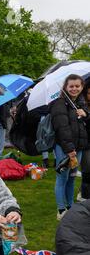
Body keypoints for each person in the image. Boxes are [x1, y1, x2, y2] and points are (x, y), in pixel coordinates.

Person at [50, 74, 90, 221]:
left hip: (79, 147)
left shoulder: (80, 103)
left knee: (72, 178)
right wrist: (69, 149)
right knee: (62, 178)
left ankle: (70, 206)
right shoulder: (59, 103)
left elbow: (84, 124)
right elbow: (62, 128)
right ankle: (61, 210)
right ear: (66, 87)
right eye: (71, 86)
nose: (74, 89)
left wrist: (85, 114)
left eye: (77, 86)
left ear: (82, 87)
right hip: (65, 148)